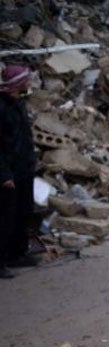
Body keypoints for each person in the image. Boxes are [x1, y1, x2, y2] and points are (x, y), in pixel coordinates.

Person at [0, 65, 38, 278]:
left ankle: (17, 254)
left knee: (23, 212)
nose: (29, 83)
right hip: (9, 173)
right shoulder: (2, 107)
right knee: (6, 218)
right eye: (27, 80)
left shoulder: (18, 103)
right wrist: (4, 175)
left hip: (24, 168)